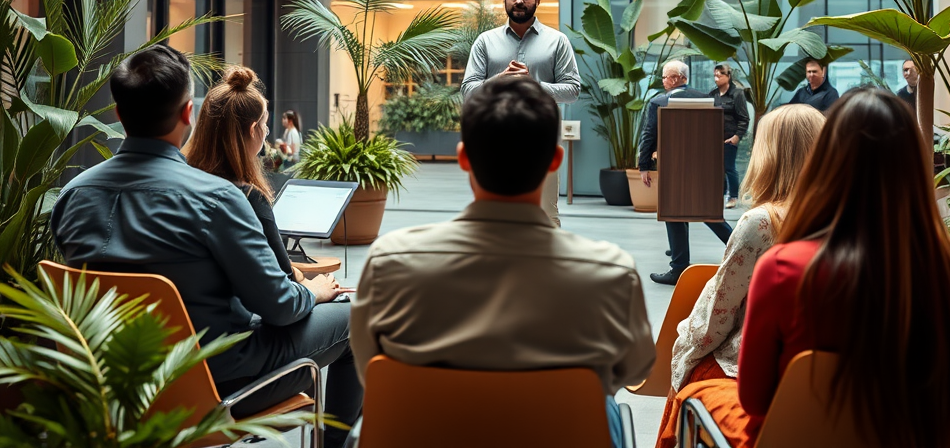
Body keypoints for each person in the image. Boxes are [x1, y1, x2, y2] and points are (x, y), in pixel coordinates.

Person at [50, 47, 362, 447]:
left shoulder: (72, 197)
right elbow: (280, 308)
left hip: (108, 387)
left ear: (118, 114)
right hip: (215, 384)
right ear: (187, 114)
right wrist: (311, 291)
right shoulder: (216, 199)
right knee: (356, 316)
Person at [351, 76, 655, 447]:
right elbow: (634, 367)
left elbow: (370, 371)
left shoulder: (389, 262)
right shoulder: (612, 273)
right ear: (554, 160)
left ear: (463, 158)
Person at [677, 88, 950, 448]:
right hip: (916, 438)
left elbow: (756, 400)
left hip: (799, 439)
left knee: (693, 393)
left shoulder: (783, 269)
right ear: (917, 164)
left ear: (826, 160)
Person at [655, 104, 825, 448]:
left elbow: (717, 317)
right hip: (825, 379)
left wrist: (683, 352)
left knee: (690, 370)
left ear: (768, 153)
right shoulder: (845, 219)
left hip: (755, 372)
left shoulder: (761, 224)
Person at [461, 0, 580, 226]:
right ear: (504, 0)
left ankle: (547, 267)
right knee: (491, 216)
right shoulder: (485, 41)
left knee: (546, 216)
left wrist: (533, 85)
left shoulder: (557, 41)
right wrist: (500, 80)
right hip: (491, 142)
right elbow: (468, 91)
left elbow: (572, 90)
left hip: (541, 142)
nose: (518, 1)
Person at [183, 66, 299, 282]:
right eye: (265, 126)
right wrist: (317, 288)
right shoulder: (249, 197)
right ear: (253, 128)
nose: (266, 133)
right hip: (238, 311)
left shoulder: (180, 184)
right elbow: (284, 280)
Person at [642, 61, 734, 286]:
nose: (663, 82)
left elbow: (648, 135)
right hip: (705, 169)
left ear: (674, 78)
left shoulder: (658, 102)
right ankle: (742, 247)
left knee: (674, 211)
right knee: (709, 213)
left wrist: (644, 165)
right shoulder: (710, 99)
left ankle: (679, 267)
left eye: (664, 77)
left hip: (674, 168)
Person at [710, 63, 749, 209]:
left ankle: (733, 196)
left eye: (720, 75)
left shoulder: (737, 94)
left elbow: (744, 118)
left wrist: (737, 136)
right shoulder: (712, 94)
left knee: (729, 167)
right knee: (718, 168)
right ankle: (721, 194)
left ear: (728, 76)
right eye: (715, 75)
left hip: (730, 136)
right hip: (715, 138)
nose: (716, 78)